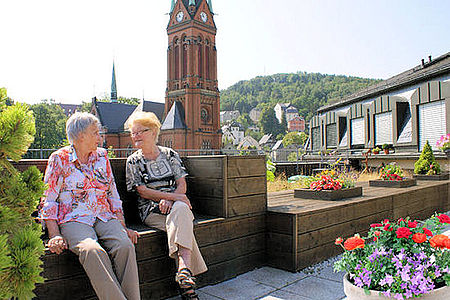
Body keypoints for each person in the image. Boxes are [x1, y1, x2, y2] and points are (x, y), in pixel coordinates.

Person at [39, 112, 140, 300]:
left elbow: (112, 194)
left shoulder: (102, 156)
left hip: (103, 215)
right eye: (95, 133)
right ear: (80, 136)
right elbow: (49, 199)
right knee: (92, 250)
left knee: (125, 245)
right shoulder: (59, 159)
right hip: (73, 219)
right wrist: (55, 234)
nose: (100, 138)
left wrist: (123, 226)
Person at [125, 112, 207, 300]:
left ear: (153, 132)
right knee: (182, 215)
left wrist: (171, 199)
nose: (135, 136)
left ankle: (185, 277)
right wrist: (170, 197)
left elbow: (182, 184)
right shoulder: (134, 161)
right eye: (133, 133)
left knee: (180, 211)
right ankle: (185, 273)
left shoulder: (170, 154)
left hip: (176, 206)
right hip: (150, 210)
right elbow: (142, 191)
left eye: (140, 132)